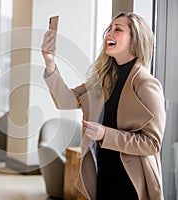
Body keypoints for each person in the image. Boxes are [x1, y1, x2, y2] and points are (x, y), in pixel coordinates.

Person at [41, 12, 166, 200]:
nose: (109, 33)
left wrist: (105, 134)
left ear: (136, 39)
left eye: (118, 29)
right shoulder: (102, 80)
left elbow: (152, 144)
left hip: (132, 181)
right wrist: (49, 61)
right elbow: (65, 100)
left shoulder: (146, 84)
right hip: (102, 174)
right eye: (109, 28)